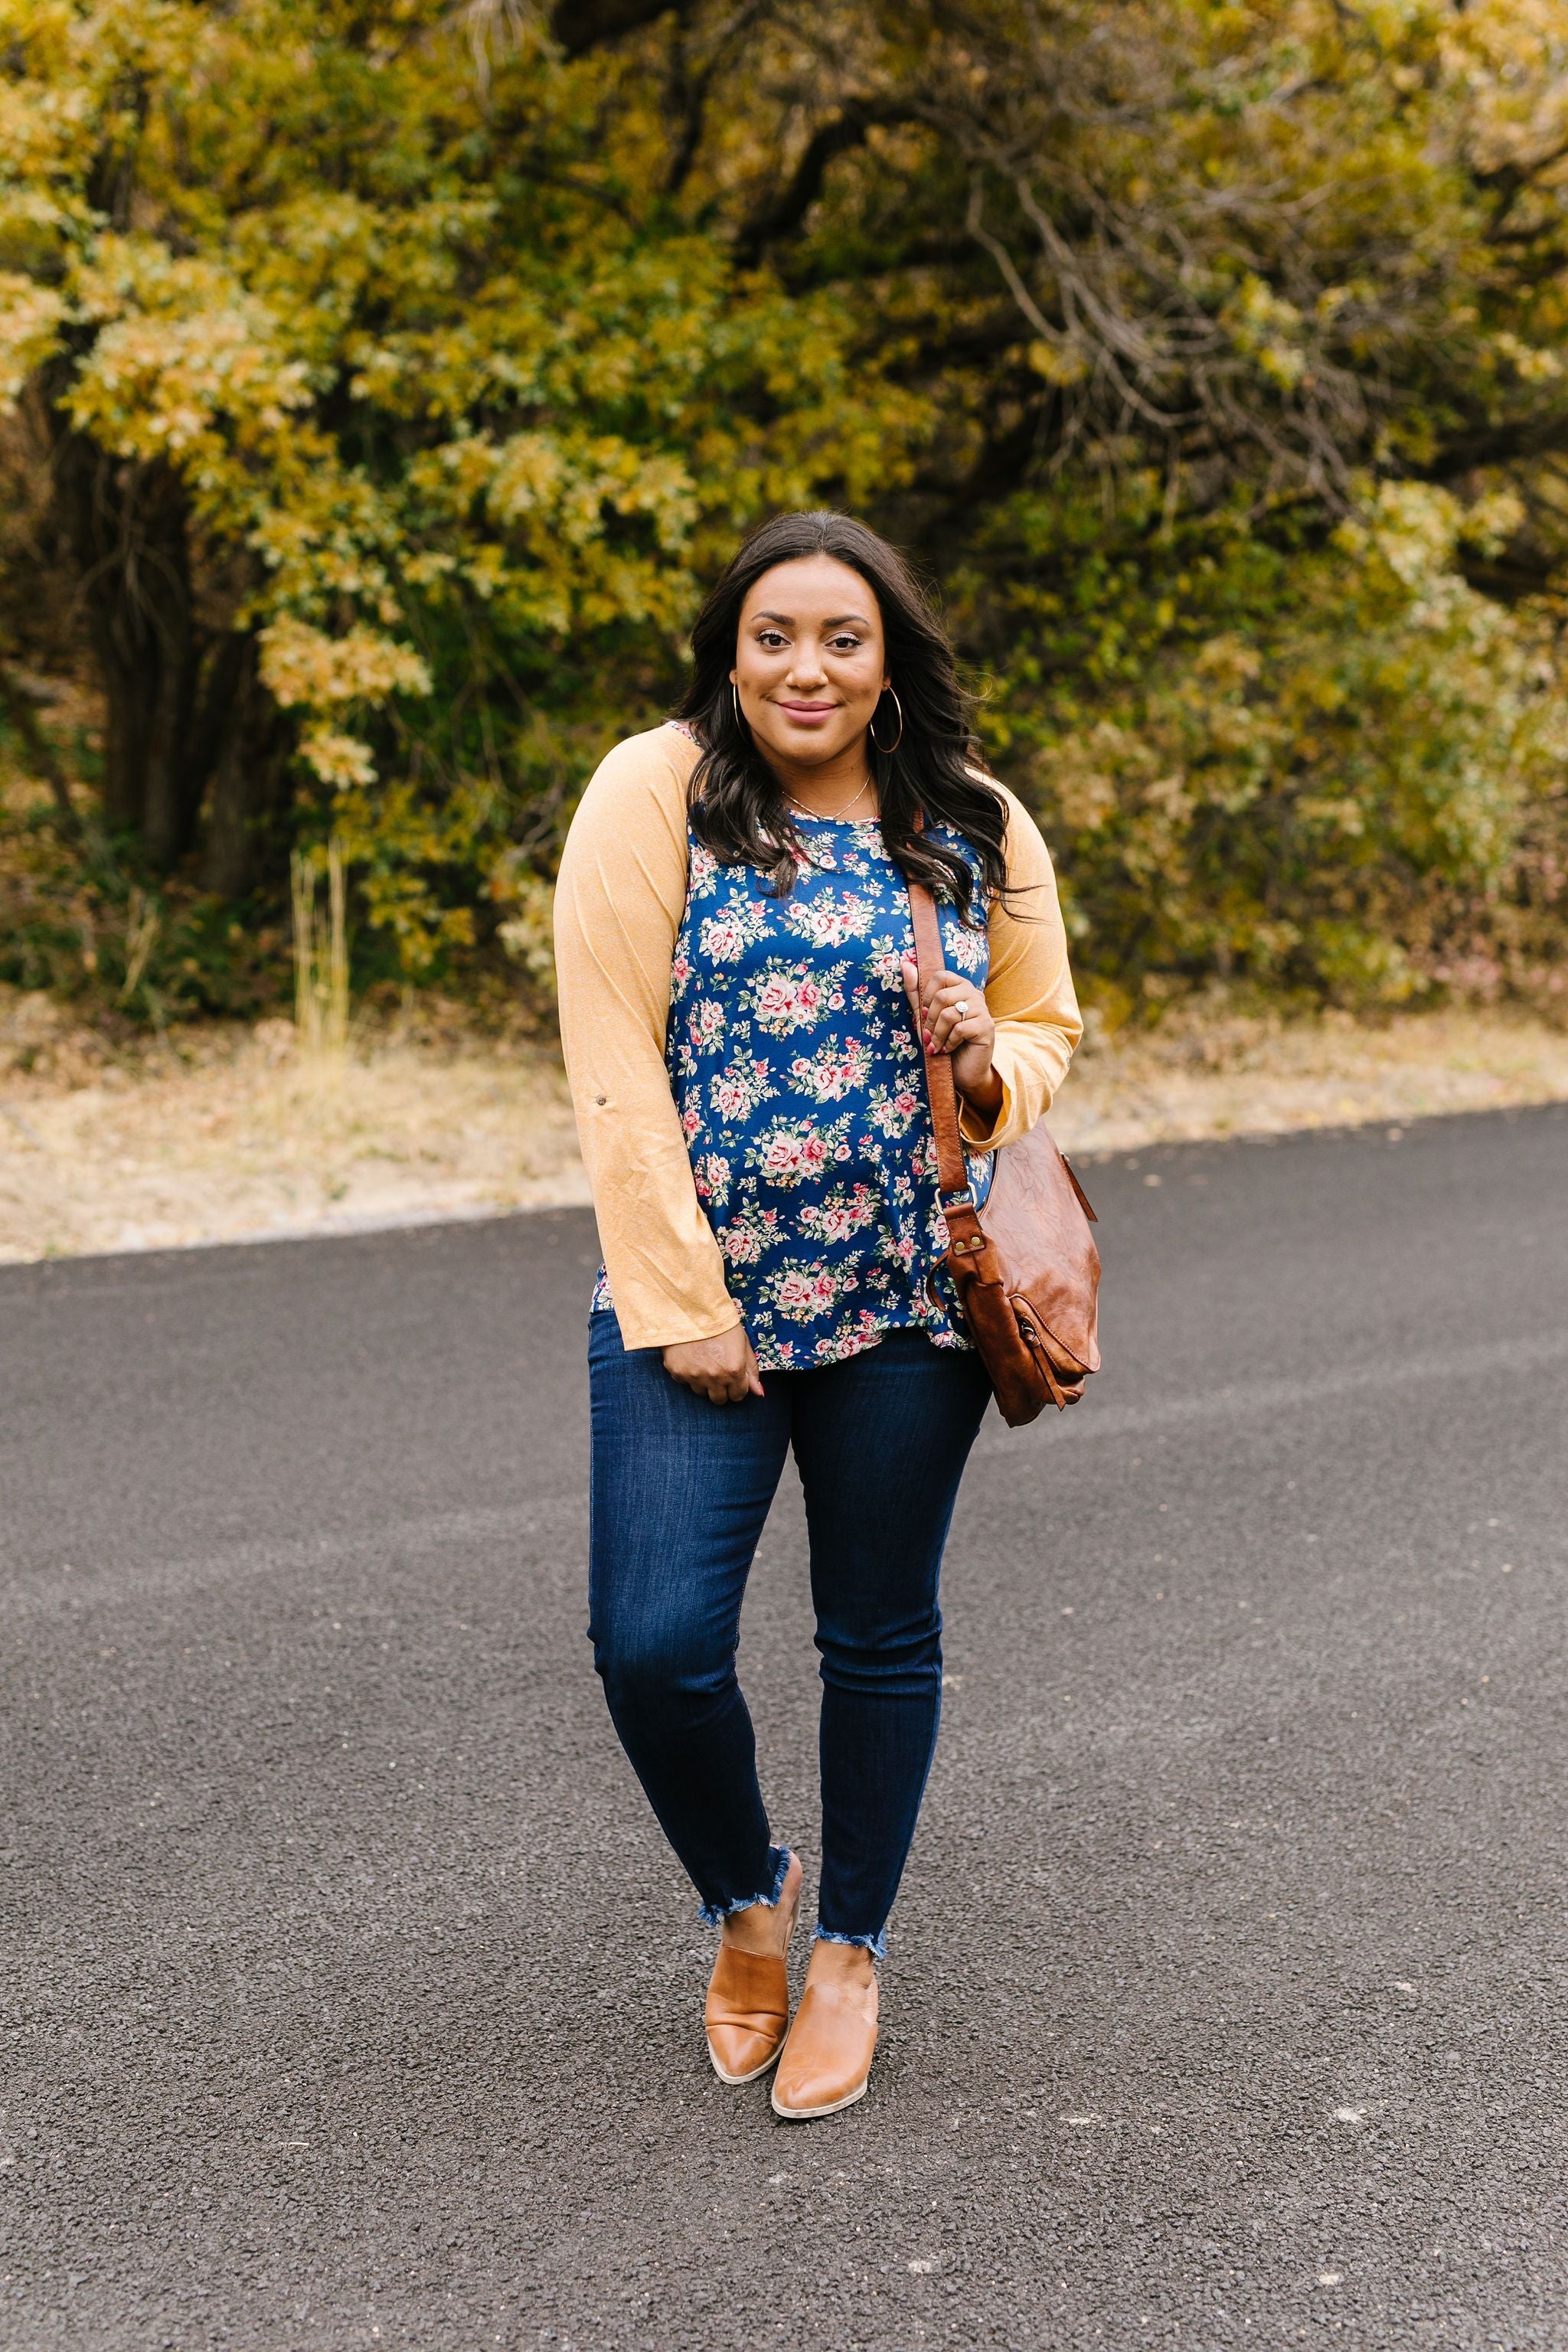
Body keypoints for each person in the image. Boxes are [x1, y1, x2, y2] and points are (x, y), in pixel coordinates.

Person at [553, 510, 1081, 2120]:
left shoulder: (969, 819)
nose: (806, 666)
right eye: (775, 634)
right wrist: (676, 1293)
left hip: (909, 1294)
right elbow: (611, 1055)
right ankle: (746, 1903)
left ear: (885, 660)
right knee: (650, 1644)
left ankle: (847, 1946)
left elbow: (1049, 1028)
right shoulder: (655, 789)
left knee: (877, 1633)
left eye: (840, 639)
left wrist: (987, 1054)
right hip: (700, 1299)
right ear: (730, 649)